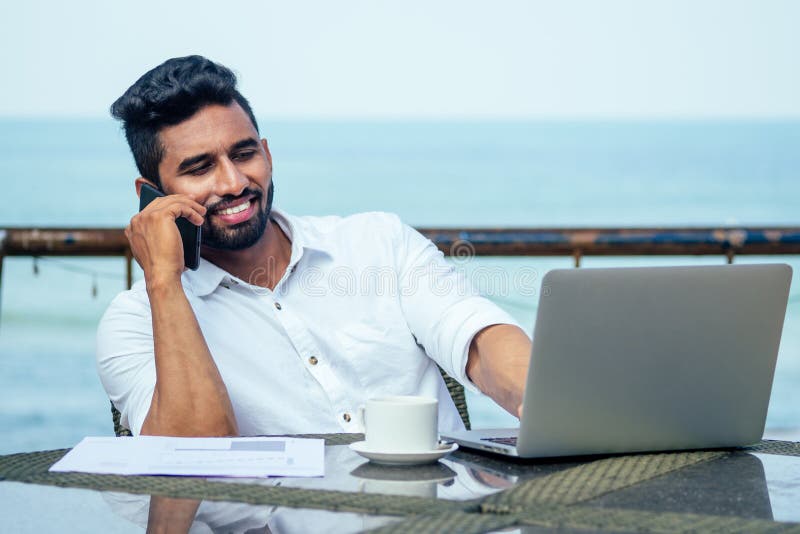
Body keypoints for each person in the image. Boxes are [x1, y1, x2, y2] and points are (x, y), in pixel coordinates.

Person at [97, 55, 532, 438]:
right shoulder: (133, 323)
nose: (233, 183)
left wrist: (541, 398)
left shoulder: (378, 242)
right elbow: (191, 456)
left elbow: (478, 340)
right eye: (200, 168)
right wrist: (163, 282)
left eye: (244, 154)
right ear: (151, 196)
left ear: (266, 153)